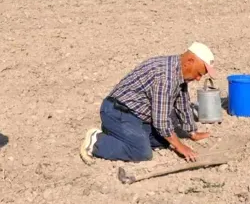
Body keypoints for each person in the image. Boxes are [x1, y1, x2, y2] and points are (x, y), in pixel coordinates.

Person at [80, 42, 217, 164]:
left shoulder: (177, 71)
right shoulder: (165, 76)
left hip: (136, 115)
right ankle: (96, 141)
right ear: (189, 61)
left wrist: (192, 132)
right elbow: (161, 121)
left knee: (164, 140)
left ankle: (119, 134)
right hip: (117, 112)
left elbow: (182, 102)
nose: (199, 79)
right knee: (142, 152)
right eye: (199, 73)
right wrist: (181, 147)